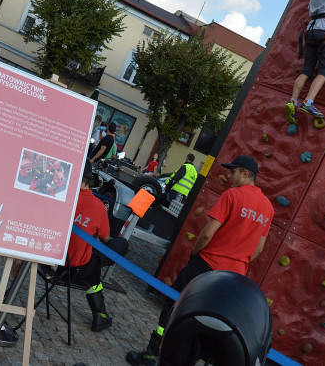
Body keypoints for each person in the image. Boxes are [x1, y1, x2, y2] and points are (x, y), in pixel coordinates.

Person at [126, 155, 275, 366]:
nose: (229, 176)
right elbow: (259, 249)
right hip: (234, 278)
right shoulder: (267, 208)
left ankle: (153, 352)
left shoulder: (232, 195)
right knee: (207, 318)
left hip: (206, 265)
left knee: (174, 305)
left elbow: (207, 234)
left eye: (233, 172)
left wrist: (196, 253)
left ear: (246, 174)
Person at [58, 160, 128, 331]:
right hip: (72, 269)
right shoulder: (97, 206)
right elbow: (105, 239)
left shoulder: (61, 195)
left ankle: (100, 314)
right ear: (90, 179)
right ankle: (100, 315)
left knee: (91, 258)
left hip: (50, 263)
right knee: (120, 244)